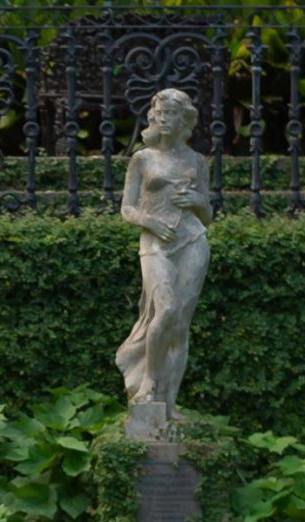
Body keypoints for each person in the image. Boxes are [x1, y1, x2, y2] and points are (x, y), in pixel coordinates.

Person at [115, 87, 212, 420]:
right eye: (160, 113)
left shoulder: (197, 161)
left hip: (192, 241)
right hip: (155, 243)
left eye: (172, 113)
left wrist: (199, 202)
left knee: (181, 324)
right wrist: (152, 223)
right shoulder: (142, 159)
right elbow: (127, 209)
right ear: (153, 117)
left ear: (184, 119)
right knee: (166, 309)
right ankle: (149, 384)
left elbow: (208, 215)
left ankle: (169, 402)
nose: (164, 119)